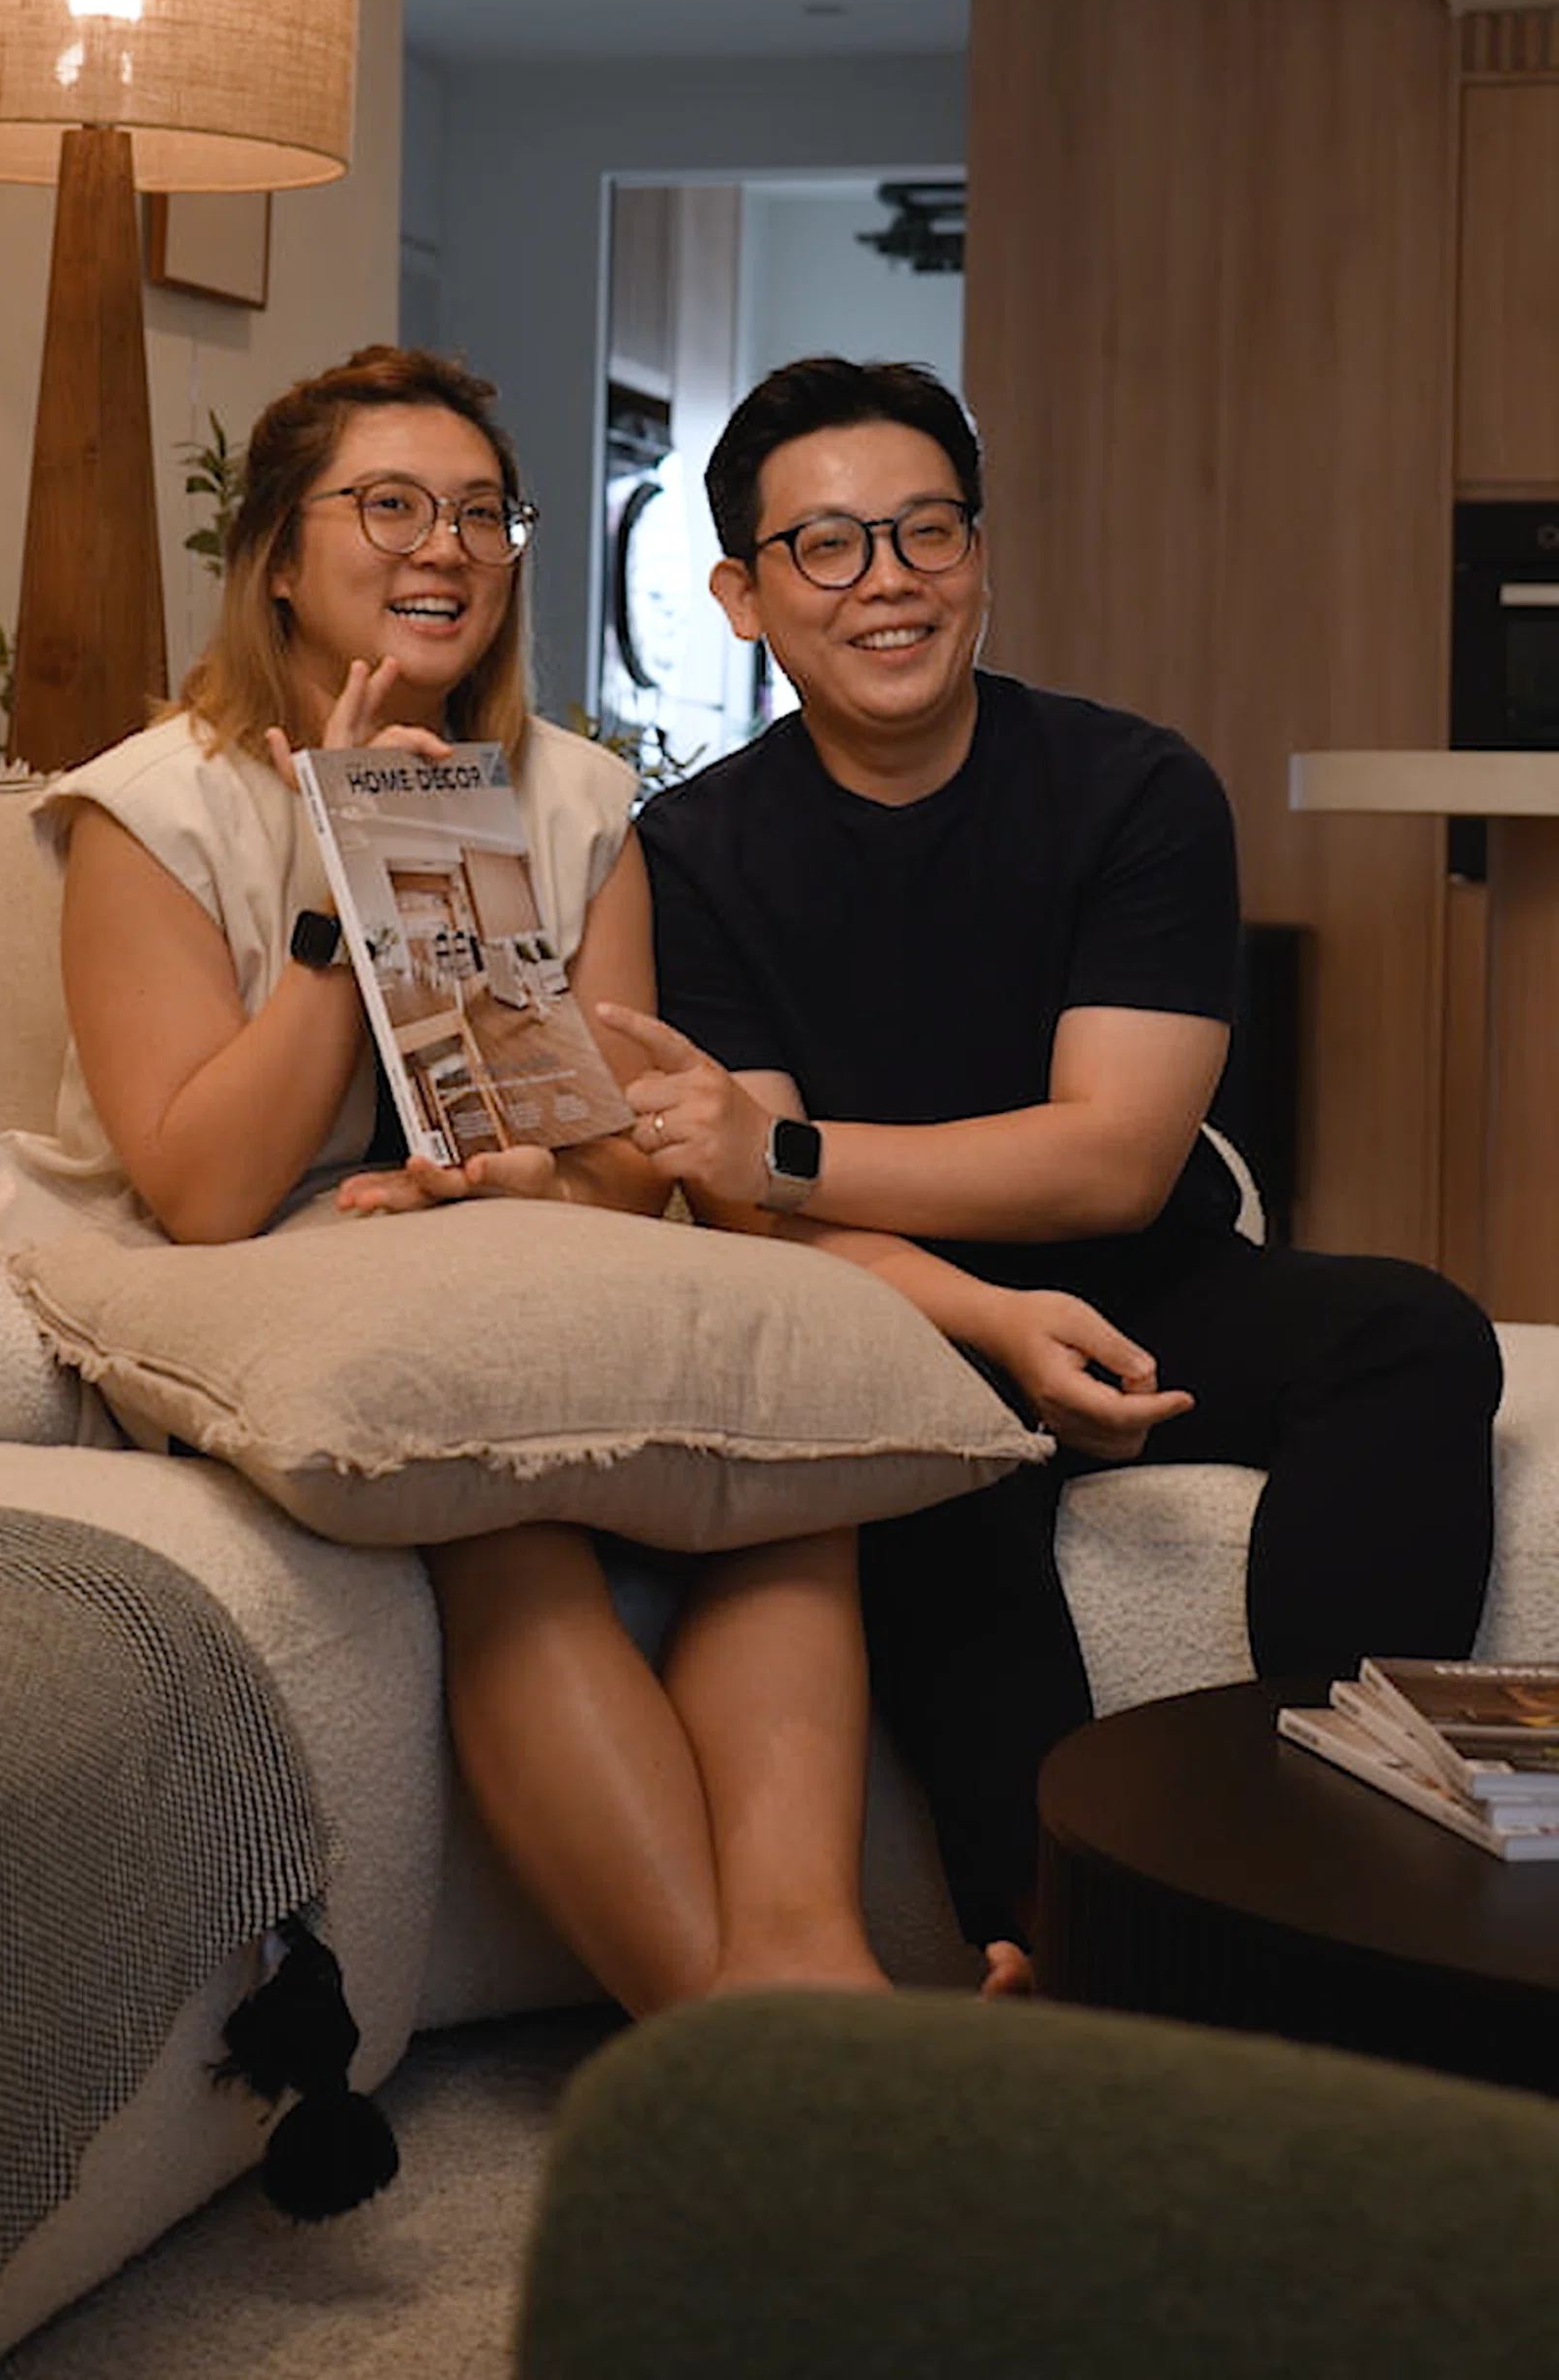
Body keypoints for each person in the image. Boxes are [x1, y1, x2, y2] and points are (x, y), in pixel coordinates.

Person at [0, 343, 886, 2016]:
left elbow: (620, 1179)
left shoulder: (578, 797)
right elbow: (205, 1190)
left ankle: (812, 1972)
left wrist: (513, 1184)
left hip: (492, 1256)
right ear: (276, 552)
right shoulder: (150, 809)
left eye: (481, 512)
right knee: (505, 1511)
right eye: (389, 505)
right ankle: (732, 2032)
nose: (445, 547)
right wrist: (344, 866)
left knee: (788, 1478)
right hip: (246, 1279)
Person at [602, 354, 1503, 1993]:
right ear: (742, 595)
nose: (887, 581)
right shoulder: (692, 853)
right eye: (827, 546)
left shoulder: (1134, 788)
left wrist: (792, 1156)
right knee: (926, 1467)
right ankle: (1063, 1952)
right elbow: (752, 1220)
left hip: (1159, 1281)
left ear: (984, 556)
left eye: (923, 531)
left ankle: (1343, 1878)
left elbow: (1112, 1158)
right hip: (900, 1310)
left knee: (1415, 1331)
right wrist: (977, 1313)